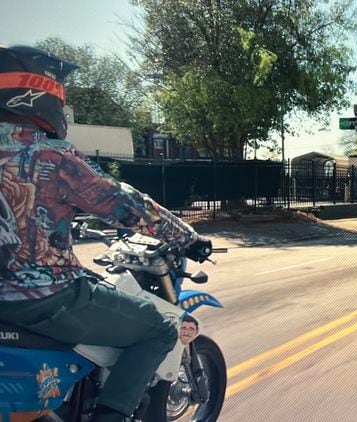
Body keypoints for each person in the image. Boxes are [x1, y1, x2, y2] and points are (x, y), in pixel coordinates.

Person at [0, 45, 212, 422]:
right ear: (39, 96)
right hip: (43, 296)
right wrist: (187, 237)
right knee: (161, 328)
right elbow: (127, 206)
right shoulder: (49, 156)